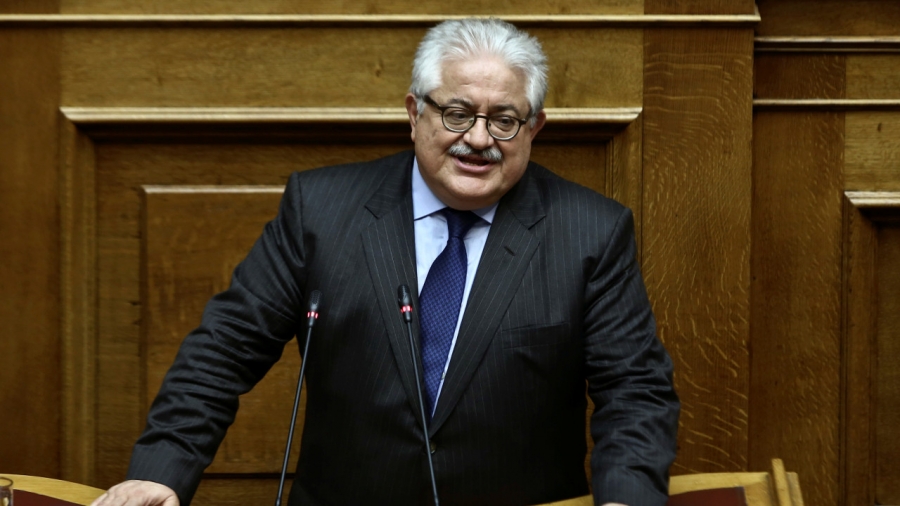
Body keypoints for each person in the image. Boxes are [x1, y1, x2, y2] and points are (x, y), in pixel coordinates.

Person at [91, 18, 679, 506]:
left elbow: (635, 389)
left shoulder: (590, 231)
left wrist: (626, 499)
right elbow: (223, 350)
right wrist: (161, 471)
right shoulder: (321, 211)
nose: (479, 139)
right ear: (414, 112)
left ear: (534, 128)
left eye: (504, 120)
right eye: (457, 113)